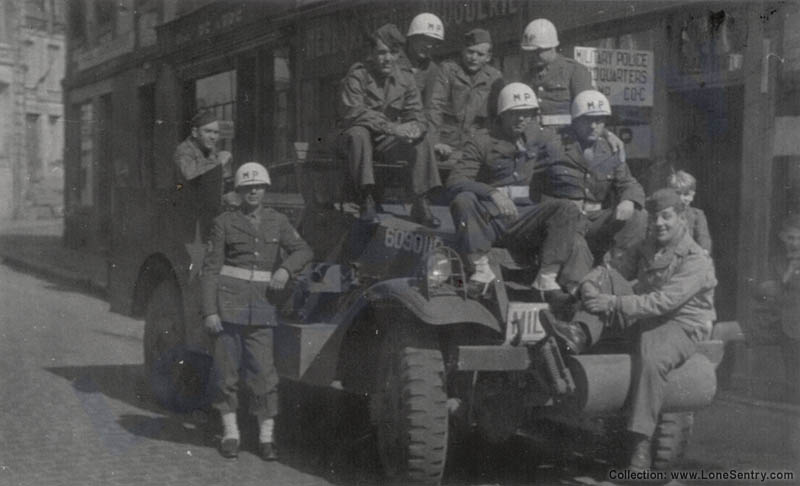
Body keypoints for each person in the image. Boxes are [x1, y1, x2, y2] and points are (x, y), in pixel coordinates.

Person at [543, 188, 717, 471]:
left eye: (667, 217)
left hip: (681, 324)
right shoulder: (647, 245)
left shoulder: (696, 258)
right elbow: (614, 269)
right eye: (654, 218)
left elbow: (664, 301)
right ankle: (578, 334)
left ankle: (640, 443)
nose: (659, 224)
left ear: (682, 218)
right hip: (644, 315)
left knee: (652, 356)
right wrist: (590, 284)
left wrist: (612, 302)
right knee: (607, 281)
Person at [201, 162, 313, 460]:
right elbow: (211, 269)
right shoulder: (224, 222)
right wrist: (210, 311)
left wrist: (286, 270)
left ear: (265, 189)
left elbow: (304, 250)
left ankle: (266, 438)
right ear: (239, 192)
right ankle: (231, 434)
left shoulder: (278, 221)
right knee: (226, 374)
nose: (253, 192)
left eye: (258, 187)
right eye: (247, 188)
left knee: (264, 375)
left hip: (262, 310)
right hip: (228, 309)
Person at [447, 82, 593, 300]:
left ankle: (546, 278)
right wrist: (492, 193)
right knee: (463, 199)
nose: (522, 119)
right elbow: (455, 180)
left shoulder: (538, 137)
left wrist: (606, 136)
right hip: (491, 219)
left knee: (566, 208)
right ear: (502, 114)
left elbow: (572, 143)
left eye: (528, 114)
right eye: (515, 114)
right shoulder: (482, 141)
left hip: (524, 217)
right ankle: (481, 270)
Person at [338, 23, 441, 227]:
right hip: (352, 142)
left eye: (393, 53)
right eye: (382, 53)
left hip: (385, 142)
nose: (388, 59)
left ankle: (420, 201)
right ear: (371, 53)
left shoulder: (405, 78)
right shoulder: (357, 76)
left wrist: (415, 128)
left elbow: (417, 113)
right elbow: (354, 112)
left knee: (422, 140)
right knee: (359, 133)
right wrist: (394, 129)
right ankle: (366, 198)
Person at [533, 89, 647, 264]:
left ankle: (620, 270)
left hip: (595, 220)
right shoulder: (554, 147)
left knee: (638, 215)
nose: (594, 126)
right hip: (564, 222)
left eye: (599, 120)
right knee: (579, 251)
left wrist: (628, 201)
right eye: (588, 120)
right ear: (575, 121)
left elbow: (629, 183)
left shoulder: (610, 150)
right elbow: (531, 180)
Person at [521, 18, 626, 156]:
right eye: (530, 52)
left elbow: (590, 111)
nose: (533, 56)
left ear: (553, 47)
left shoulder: (574, 71)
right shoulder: (528, 76)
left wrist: (606, 134)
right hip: (535, 143)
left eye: (538, 51)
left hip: (566, 142)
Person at [429, 28, 504, 162]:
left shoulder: (494, 78)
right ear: (463, 50)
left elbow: (498, 117)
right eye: (470, 51)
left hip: (476, 146)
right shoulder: (448, 70)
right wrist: (434, 142)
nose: (473, 58)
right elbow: (435, 106)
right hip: (446, 145)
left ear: (488, 57)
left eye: (480, 54)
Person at [753, 214, 800, 404]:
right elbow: (763, 295)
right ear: (783, 237)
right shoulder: (776, 262)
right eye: (791, 238)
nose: (795, 243)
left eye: (799, 238)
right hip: (781, 325)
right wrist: (787, 275)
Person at [173, 110, 233, 239]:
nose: (213, 137)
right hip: (189, 220)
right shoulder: (184, 150)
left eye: (216, 133)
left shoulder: (208, 149)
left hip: (208, 216)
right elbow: (190, 174)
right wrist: (219, 163)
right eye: (208, 131)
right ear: (195, 132)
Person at [402, 12, 445, 108]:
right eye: (425, 39)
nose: (429, 46)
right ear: (412, 37)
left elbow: (429, 106)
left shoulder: (431, 69)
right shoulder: (393, 61)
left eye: (433, 42)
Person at [667, 170, 712, 253]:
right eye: (677, 193)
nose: (681, 198)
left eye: (686, 194)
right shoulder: (665, 214)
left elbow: (703, 238)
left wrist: (703, 252)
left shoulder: (696, 215)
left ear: (692, 195)